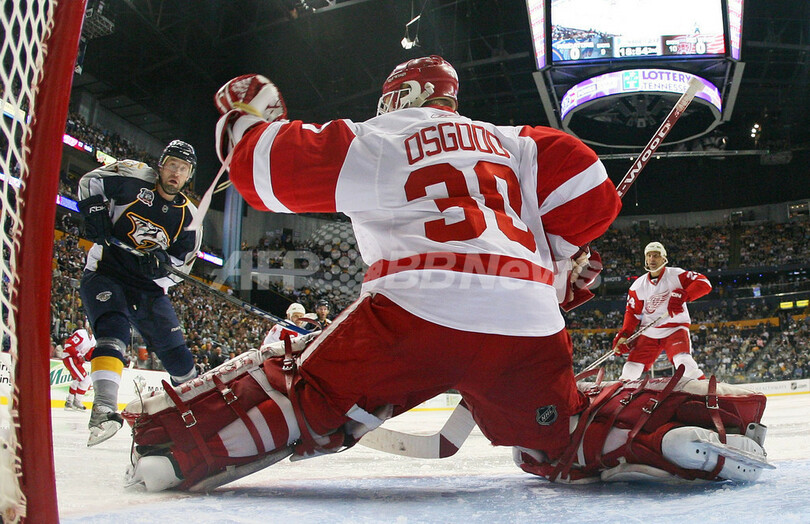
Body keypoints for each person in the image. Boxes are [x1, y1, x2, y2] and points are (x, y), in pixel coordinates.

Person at [124, 57, 769, 491]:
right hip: (526, 327)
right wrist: (556, 252)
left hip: (412, 313)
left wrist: (245, 120)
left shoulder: (379, 137)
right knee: (558, 432)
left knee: (304, 390)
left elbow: (263, 173)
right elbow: (593, 196)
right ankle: (677, 429)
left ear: (401, 97)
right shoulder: (515, 141)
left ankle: (173, 448)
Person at [76, 139, 203, 446]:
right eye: (172, 165)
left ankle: (199, 416)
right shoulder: (134, 176)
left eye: (183, 169)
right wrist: (95, 211)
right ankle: (103, 409)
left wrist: (160, 268)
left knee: (179, 357)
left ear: (189, 176)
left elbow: (181, 267)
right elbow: (90, 181)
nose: (176, 173)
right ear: (161, 165)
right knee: (114, 331)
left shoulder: (190, 218)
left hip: (148, 288)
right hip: (106, 271)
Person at [611, 241, 712, 381]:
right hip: (649, 331)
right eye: (649, 255)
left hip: (675, 328)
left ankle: (705, 389)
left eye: (656, 255)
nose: (652, 259)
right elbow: (632, 313)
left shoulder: (676, 275)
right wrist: (624, 335)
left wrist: (685, 295)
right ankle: (621, 392)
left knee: (684, 363)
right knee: (631, 368)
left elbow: (705, 283)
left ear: (664, 258)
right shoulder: (637, 285)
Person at [61, 326, 96, 412]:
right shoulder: (81, 333)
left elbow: (88, 354)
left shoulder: (93, 339)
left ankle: (69, 402)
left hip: (77, 360)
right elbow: (68, 345)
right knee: (86, 380)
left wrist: (96, 357)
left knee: (77, 380)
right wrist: (78, 355)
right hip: (70, 357)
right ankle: (77, 401)